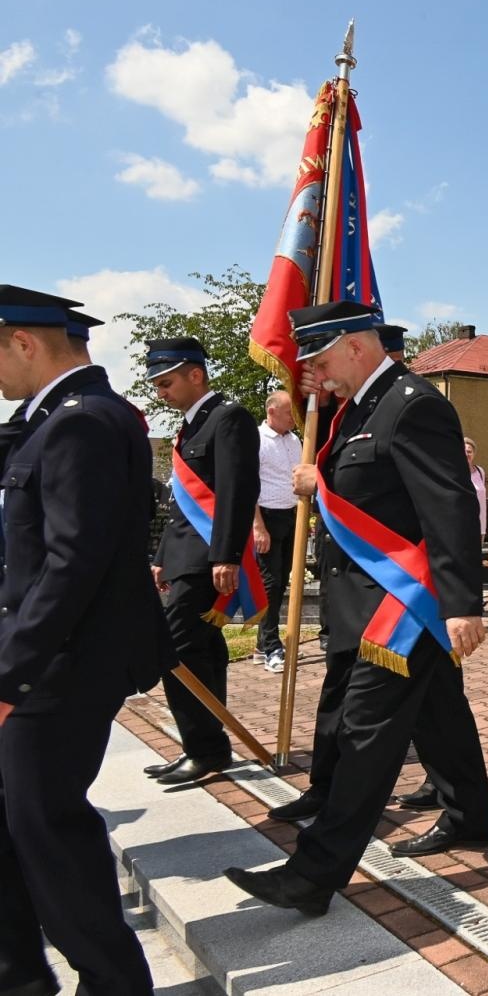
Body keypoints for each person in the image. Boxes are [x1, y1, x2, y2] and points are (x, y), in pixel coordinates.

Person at [226, 300, 488, 914]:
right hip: (364, 600)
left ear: (355, 345)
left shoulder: (413, 404)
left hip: (402, 607)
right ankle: (470, 816)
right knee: (440, 715)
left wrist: (462, 603)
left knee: (365, 736)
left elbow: (448, 506)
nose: (314, 375)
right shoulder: (358, 408)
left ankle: (312, 876)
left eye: (320, 362)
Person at [0, 286, 170, 996]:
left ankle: (113, 983)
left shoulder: (82, 422)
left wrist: (10, 675)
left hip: (59, 666)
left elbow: (72, 564)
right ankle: (18, 976)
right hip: (43, 655)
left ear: (23, 343)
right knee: (16, 826)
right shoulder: (52, 418)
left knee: (49, 832)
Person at [145, 337, 260, 785]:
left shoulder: (227, 417)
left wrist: (227, 556)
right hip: (186, 556)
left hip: (208, 557)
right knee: (203, 649)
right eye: (157, 385)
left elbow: (236, 491)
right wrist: (162, 556)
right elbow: (181, 503)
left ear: (196, 375)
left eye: (167, 382)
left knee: (177, 648)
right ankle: (205, 745)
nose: (161, 392)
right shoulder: (192, 425)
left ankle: (205, 747)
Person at [254, 389, 302, 674]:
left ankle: (263, 644)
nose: (293, 418)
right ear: (271, 412)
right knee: (269, 583)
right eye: (288, 413)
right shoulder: (257, 440)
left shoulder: (295, 440)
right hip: (267, 517)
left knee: (282, 580)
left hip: (291, 515)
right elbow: (248, 485)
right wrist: (257, 525)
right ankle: (271, 646)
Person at [464, 436, 487, 540]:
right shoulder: (455, 473)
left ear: (474, 454)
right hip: (462, 522)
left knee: (478, 550)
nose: (466, 454)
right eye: (464, 451)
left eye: (469, 451)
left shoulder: (480, 471)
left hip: (480, 523)